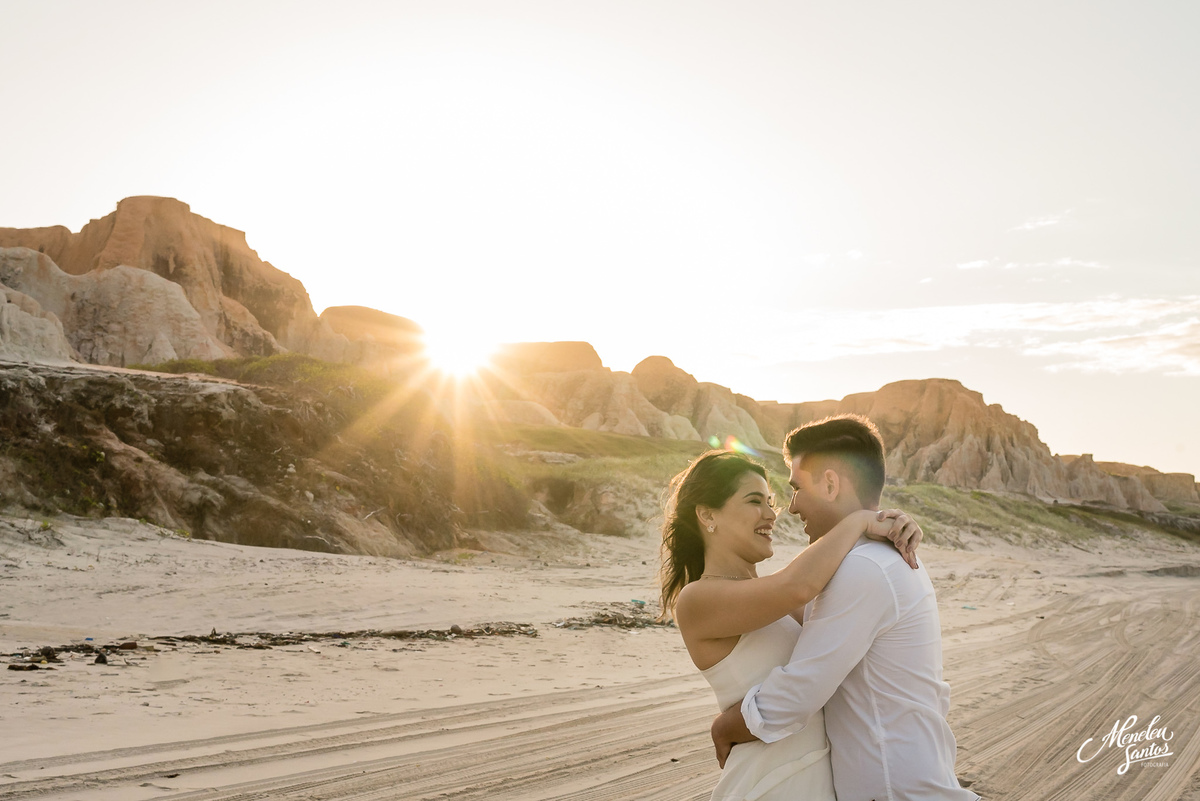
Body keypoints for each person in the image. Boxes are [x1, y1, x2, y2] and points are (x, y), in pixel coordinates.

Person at [710, 415, 980, 800]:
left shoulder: (865, 568)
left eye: (797, 488)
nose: (792, 506)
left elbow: (795, 695)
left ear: (831, 484)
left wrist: (724, 728)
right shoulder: (872, 562)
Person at [660, 448, 923, 801]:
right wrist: (861, 519)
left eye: (771, 501)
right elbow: (798, 584)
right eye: (756, 501)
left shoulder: (774, 600)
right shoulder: (697, 600)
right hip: (766, 783)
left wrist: (896, 525)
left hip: (817, 780)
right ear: (708, 514)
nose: (772, 513)